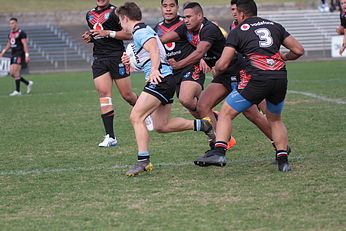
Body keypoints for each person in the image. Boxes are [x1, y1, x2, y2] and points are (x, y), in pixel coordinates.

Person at [194, 0, 304, 172]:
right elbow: (298, 50)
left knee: (225, 113)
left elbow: (223, 65)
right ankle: (283, 161)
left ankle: (219, 151)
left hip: (257, 78)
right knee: (275, 119)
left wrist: (216, 68)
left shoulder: (238, 31)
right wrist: (284, 57)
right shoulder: (275, 26)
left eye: (235, 11)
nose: (234, 14)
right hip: (280, 77)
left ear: (242, 13)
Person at [116, 2, 215, 177]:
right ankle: (203, 124)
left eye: (120, 20)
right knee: (161, 125)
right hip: (165, 78)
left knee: (136, 116)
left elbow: (154, 50)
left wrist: (154, 70)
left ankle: (143, 161)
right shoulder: (144, 31)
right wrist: (133, 63)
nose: (120, 24)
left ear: (125, 18)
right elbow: (152, 54)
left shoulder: (140, 31)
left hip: (160, 79)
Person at [161, 2, 273, 152]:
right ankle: (218, 145)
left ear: (199, 16)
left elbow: (200, 52)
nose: (185, 20)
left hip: (237, 70)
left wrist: (178, 64)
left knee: (250, 112)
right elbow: (163, 38)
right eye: (185, 17)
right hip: (223, 73)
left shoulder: (209, 29)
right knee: (203, 106)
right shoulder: (185, 28)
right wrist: (146, 41)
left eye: (189, 17)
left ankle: (279, 143)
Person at [83, 0, 151, 147]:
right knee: (104, 94)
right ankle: (110, 136)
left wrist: (108, 33)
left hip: (117, 57)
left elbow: (128, 34)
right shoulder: (90, 14)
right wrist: (90, 37)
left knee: (127, 95)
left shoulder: (116, 12)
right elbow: (97, 35)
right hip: (99, 59)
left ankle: (146, 113)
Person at [154, 0, 205, 119]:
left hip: (191, 66)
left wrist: (204, 57)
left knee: (186, 99)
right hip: (173, 72)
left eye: (172, 6)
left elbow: (201, 41)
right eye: (165, 6)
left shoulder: (186, 22)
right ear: (161, 8)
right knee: (194, 111)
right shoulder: (158, 28)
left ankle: (210, 114)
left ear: (177, 7)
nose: (168, 9)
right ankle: (213, 124)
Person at [0, 18, 33, 96]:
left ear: (16, 23)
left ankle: (17, 91)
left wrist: (27, 55)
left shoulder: (21, 33)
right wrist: (2, 52)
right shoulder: (10, 33)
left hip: (19, 54)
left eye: (12, 23)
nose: (11, 25)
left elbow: (25, 44)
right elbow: (9, 44)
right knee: (12, 73)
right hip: (13, 54)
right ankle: (28, 83)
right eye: (10, 23)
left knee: (16, 72)